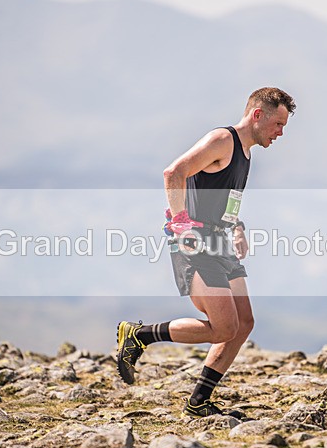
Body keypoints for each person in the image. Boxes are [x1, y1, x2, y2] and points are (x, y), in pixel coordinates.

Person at [115, 87, 296, 418]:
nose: (281, 133)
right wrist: (181, 225)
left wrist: (237, 226)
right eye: (278, 124)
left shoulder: (246, 152)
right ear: (258, 115)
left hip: (220, 242)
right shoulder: (222, 140)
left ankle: (198, 401)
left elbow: (221, 201)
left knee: (244, 323)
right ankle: (138, 335)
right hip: (196, 243)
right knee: (224, 327)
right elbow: (174, 172)